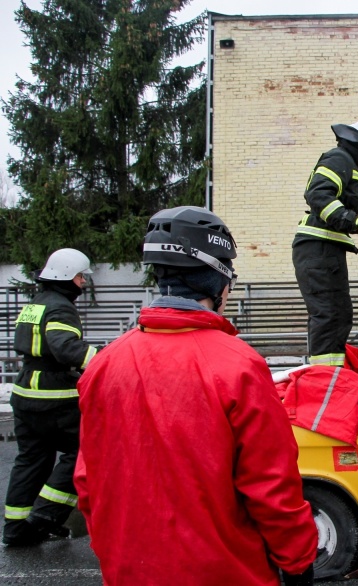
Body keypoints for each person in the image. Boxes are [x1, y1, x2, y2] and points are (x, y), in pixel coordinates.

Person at [74, 206, 317, 586]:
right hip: (225, 573)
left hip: (127, 571)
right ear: (217, 281)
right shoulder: (238, 366)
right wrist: (299, 561)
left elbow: (88, 482)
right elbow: (271, 487)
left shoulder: (104, 365)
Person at [2, 249, 98, 547]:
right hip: (54, 396)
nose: (83, 283)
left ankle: (16, 528)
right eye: (81, 277)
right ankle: (45, 517)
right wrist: (105, 360)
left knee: (32, 459)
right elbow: (65, 347)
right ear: (68, 276)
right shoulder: (61, 308)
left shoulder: (36, 304)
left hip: (24, 392)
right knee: (84, 452)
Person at [292, 117, 358, 366]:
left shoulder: (346, 163)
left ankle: (332, 373)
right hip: (318, 249)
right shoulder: (339, 159)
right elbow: (318, 194)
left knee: (339, 314)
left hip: (326, 250)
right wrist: (352, 219)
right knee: (330, 314)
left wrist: (356, 223)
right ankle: (325, 378)